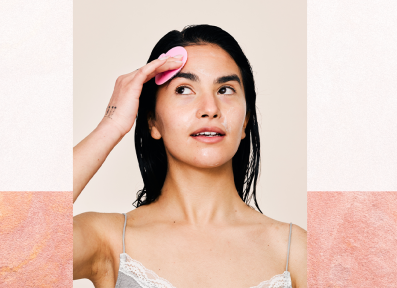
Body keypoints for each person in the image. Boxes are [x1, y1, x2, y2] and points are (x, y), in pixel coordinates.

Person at [73, 24, 307, 288]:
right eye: (184, 89)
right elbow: (20, 238)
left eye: (225, 89)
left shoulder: (295, 252)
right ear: (153, 121)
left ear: (245, 122)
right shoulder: (108, 240)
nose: (210, 109)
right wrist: (113, 123)